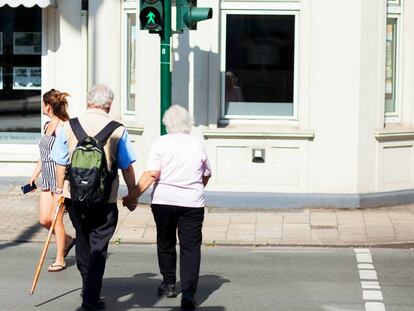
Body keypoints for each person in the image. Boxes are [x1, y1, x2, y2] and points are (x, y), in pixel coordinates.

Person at [51, 84, 137, 311]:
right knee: (99, 245)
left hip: (75, 196)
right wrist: (132, 194)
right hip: (104, 198)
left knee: (82, 238)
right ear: (109, 105)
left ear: (88, 102)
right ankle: (91, 295)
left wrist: (60, 192)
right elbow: (126, 167)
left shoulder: (69, 126)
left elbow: (60, 164)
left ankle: (86, 285)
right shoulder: (118, 129)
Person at [123, 105, 211, 310]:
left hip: (164, 201)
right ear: (187, 123)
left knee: (166, 241)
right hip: (192, 203)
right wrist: (194, 188)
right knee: (190, 247)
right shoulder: (197, 144)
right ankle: (188, 293)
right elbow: (206, 174)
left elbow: (152, 173)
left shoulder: (161, 142)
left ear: (167, 123)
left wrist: (132, 197)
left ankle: (169, 283)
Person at [29, 89, 75, 272]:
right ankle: (69, 240)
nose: (41, 106)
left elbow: (65, 157)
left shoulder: (64, 127)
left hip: (59, 181)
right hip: (46, 180)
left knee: (56, 220)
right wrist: (34, 175)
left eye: (42, 103)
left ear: (48, 106)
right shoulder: (47, 125)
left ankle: (60, 259)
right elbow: (43, 155)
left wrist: (60, 187)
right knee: (43, 220)